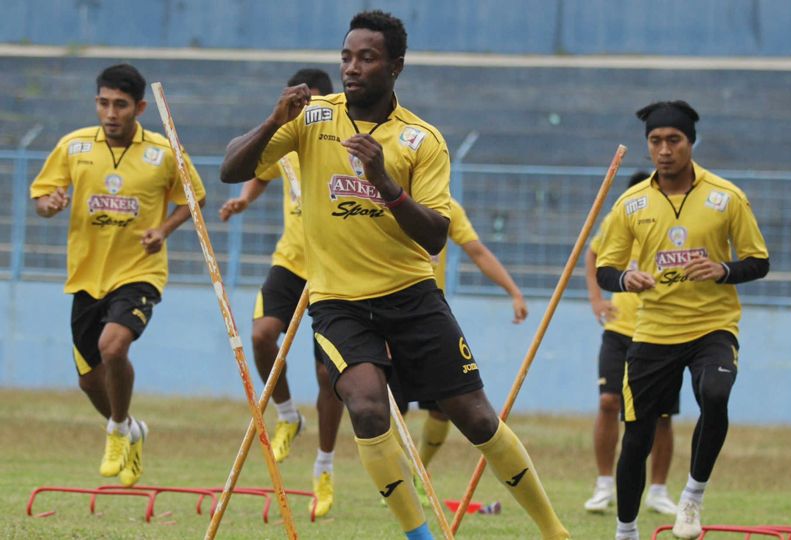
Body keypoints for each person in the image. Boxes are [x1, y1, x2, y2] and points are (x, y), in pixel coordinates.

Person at [219, 10, 568, 540]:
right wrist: (273, 121)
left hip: (412, 296)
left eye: (366, 58)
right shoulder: (312, 119)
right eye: (346, 57)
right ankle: (420, 536)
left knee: (474, 417)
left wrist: (382, 179)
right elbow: (231, 169)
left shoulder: (422, 140)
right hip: (338, 301)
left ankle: (553, 530)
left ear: (396, 67)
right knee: (366, 405)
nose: (352, 68)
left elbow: (433, 236)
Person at [594, 100, 769, 540]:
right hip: (653, 331)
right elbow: (604, 268)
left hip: (712, 325)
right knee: (636, 437)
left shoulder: (725, 197)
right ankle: (626, 529)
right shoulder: (632, 203)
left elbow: (758, 261)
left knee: (715, 392)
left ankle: (692, 495)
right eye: (656, 141)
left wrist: (723, 269)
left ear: (692, 142)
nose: (665, 149)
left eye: (674, 140)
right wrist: (625, 277)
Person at [30, 63, 206, 487]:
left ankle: (115, 429)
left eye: (120, 105)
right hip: (87, 277)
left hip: (139, 271)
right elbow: (42, 197)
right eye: (103, 103)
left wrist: (163, 231)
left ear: (140, 107)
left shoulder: (164, 153)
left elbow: (192, 199)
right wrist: (49, 205)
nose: (110, 113)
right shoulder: (73, 147)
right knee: (91, 381)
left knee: (113, 348)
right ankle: (130, 428)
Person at [219, 68, 344, 519]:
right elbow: (262, 170)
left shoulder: (342, 144)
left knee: (330, 376)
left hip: (333, 272)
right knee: (260, 336)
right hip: (290, 263)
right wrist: (245, 200)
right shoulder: (291, 137)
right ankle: (288, 414)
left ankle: (324, 466)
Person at [391, 197, 528, 504]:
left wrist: (514, 291)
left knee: (445, 404)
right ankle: (395, 482)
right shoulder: (377, 192)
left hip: (426, 312)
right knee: (392, 407)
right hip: (385, 308)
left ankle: (418, 473)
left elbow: (477, 251)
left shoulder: (445, 205)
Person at [583, 170, 678, 516]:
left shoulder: (673, 221)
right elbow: (592, 254)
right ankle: (604, 484)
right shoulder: (618, 220)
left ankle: (658, 490)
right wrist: (596, 300)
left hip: (661, 331)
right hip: (620, 329)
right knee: (609, 402)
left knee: (662, 415)